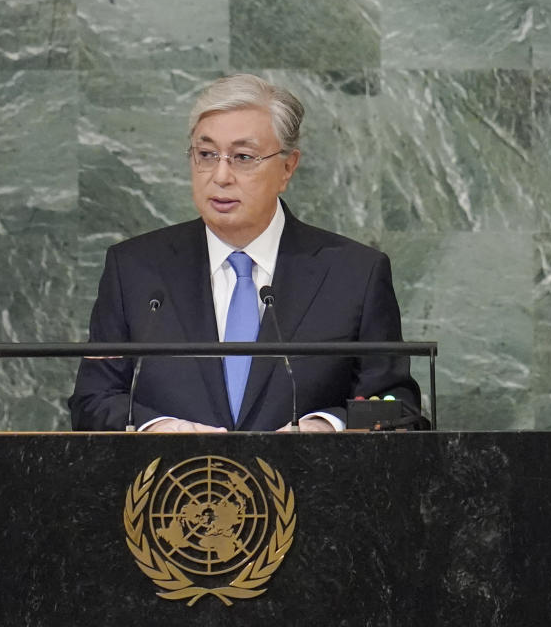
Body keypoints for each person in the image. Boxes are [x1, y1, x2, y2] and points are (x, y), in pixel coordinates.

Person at [69, 74, 419, 432]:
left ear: (287, 167)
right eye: (206, 155)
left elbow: (396, 405)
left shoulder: (354, 274)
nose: (220, 175)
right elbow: (93, 401)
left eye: (243, 157)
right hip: (173, 484)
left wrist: (329, 427)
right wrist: (157, 429)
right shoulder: (134, 270)